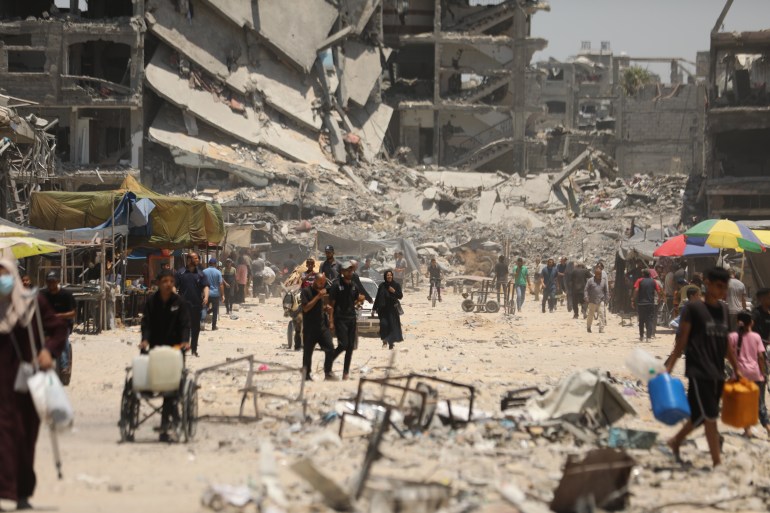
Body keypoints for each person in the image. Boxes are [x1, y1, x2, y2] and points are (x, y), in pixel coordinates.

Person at [0, 259, 67, 510]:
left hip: (26, 384)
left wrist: (48, 351)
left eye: (3, 274)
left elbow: (58, 330)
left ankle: (21, 492)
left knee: (24, 435)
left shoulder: (32, 302)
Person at [665, 267, 740, 467]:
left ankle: (675, 441)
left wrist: (737, 369)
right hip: (699, 369)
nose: (723, 292)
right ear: (707, 283)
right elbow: (682, 341)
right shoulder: (693, 308)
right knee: (711, 416)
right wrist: (669, 368)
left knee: (699, 415)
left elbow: (727, 345)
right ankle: (717, 462)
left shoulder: (723, 310)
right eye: (719, 286)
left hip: (717, 371)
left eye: (725, 288)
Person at [140, 269, 191, 442]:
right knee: (165, 387)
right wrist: (145, 340)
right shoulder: (151, 302)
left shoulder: (180, 302)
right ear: (158, 283)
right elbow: (146, 323)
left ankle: (165, 423)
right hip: (155, 347)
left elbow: (185, 325)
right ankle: (173, 418)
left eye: (171, 281)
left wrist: (185, 341)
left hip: (175, 349)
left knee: (171, 387)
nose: (168, 284)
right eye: (165, 281)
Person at [728, 311, 770, 437]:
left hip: (740, 374)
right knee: (760, 403)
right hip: (755, 373)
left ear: (737, 322)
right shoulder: (756, 337)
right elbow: (761, 357)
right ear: (751, 322)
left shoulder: (733, 337)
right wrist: (763, 373)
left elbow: (728, 355)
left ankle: (747, 430)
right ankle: (768, 428)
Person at [328, 261, 365, 380]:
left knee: (350, 347)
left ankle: (345, 373)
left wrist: (360, 300)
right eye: (347, 270)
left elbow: (355, 301)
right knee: (343, 344)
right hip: (340, 319)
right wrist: (331, 321)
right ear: (342, 272)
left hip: (352, 319)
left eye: (351, 270)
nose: (349, 272)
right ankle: (328, 361)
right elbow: (331, 304)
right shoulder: (336, 285)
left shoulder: (354, 285)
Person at [40, 271, 76, 385]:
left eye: (53, 282)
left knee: (63, 340)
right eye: (49, 282)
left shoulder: (66, 295)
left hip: (63, 325)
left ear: (58, 282)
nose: (51, 284)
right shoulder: (42, 294)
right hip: (46, 325)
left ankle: (64, 367)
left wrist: (59, 316)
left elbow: (73, 313)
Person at [300, 273, 336, 381]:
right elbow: (306, 308)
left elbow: (318, 308)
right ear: (315, 281)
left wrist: (326, 309)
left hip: (321, 327)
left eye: (323, 283)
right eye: (320, 282)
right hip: (310, 328)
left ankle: (328, 373)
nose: (322, 285)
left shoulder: (320, 292)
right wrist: (318, 297)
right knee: (308, 352)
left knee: (330, 348)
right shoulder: (306, 292)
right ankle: (306, 375)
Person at [176, 252, 209, 357]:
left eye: (197, 258)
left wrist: (206, 296)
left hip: (196, 305)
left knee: (196, 328)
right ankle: (184, 348)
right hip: (183, 305)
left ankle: (194, 349)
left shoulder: (201, 274)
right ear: (189, 260)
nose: (197, 260)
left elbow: (205, 286)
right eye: (195, 258)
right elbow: (174, 286)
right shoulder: (180, 273)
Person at [374, 269, 404, 350]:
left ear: (392, 276)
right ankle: (384, 342)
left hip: (392, 310)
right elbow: (377, 298)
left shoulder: (396, 285)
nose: (389, 276)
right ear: (385, 276)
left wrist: (393, 291)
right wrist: (374, 308)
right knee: (384, 325)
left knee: (392, 326)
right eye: (387, 275)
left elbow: (400, 296)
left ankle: (391, 344)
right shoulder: (381, 286)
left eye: (390, 275)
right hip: (383, 310)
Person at [633, 269, 662, 342]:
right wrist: (659, 298)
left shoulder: (639, 280)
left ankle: (641, 336)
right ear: (650, 275)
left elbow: (636, 290)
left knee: (641, 320)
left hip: (641, 303)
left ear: (643, 274)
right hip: (650, 303)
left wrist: (633, 300)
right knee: (649, 320)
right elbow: (658, 291)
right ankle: (648, 337)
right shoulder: (653, 281)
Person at [584, 265, 608, 333]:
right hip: (592, 300)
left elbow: (606, 291)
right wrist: (586, 297)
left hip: (601, 299)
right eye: (597, 274)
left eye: (600, 274)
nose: (598, 275)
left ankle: (601, 328)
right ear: (595, 274)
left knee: (602, 314)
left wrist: (606, 299)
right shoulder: (590, 280)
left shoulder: (603, 281)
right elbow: (586, 289)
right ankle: (588, 327)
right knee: (590, 315)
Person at [202, 258, 224, 331]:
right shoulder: (218, 272)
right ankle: (213, 326)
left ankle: (202, 324)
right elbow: (221, 284)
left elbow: (201, 283)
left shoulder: (204, 271)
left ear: (209, 263)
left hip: (206, 294)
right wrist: (222, 295)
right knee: (215, 311)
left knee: (204, 308)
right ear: (215, 264)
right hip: (215, 294)